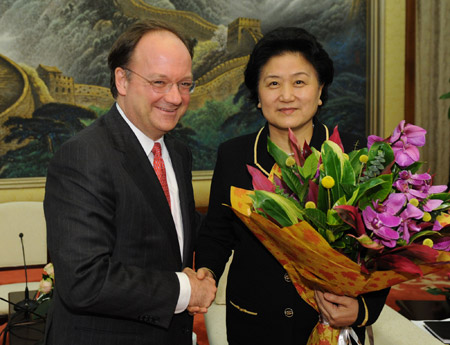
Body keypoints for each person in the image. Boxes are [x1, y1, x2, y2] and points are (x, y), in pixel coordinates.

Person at [195, 27, 388, 345]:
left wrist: (363, 309)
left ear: (320, 88)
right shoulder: (234, 155)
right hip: (255, 324)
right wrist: (206, 273)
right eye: (273, 84)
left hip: (333, 324)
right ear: (257, 95)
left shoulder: (355, 154)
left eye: (299, 82)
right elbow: (217, 233)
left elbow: (383, 247)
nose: (286, 96)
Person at [44, 20, 216, 345]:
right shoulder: (83, 156)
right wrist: (185, 289)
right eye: (159, 82)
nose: (175, 97)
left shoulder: (177, 153)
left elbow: (170, 232)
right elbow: (85, 281)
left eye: (184, 84)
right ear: (122, 79)